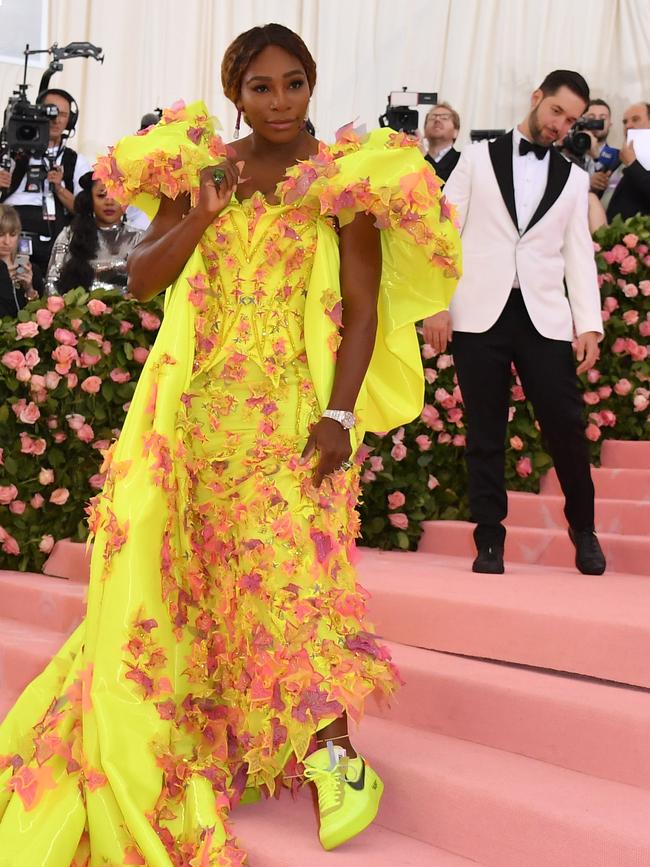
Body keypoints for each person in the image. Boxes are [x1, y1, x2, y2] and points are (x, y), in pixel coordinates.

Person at [0, 23, 460, 865]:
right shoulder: (202, 170)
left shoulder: (345, 181)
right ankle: (231, 737)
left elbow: (360, 312)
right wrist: (202, 216)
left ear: (312, 85)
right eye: (260, 87)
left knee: (292, 572)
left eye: (292, 84)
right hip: (199, 415)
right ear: (234, 92)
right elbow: (144, 278)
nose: (278, 101)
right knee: (209, 575)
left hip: (292, 417)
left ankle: (335, 754)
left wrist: (341, 416)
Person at [426, 69, 606, 577]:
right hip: (479, 312)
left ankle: (584, 530)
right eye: (556, 112)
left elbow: (579, 256)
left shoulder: (573, 179)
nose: (560, 126)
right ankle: (489, 540)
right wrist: (437, 303)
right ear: (536, 99)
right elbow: (445, 234)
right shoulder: (475, 160)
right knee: (484, 431)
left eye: (570, 120)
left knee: (567, 427)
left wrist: (588, 323)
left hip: (544, 317)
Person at [0, 89, 92, 273]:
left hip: (54, 240)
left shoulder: (76, 162)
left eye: (63, 114)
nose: (56, 119)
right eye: (50, 111)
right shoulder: (7, 153)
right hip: (7, 232)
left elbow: (85, 210)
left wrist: (59, 188)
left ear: (70, 120)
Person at [45, 172, 143, 295]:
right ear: (90, 200)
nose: (109, 202)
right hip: (78, 311)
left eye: (116, 196)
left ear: (127, 200)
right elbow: (51, 283)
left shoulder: (139, 238)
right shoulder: (70, 235)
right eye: (101, 195)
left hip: (128, 311)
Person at [605, 101, 650, 221]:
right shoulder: (621, 156)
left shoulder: (629, 159)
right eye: (625, 122)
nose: (628, 125)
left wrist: (632, 164)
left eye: (636, 119)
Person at [0, 203, 44, 316]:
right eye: (1, 234)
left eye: (13, 234)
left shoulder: (31, 270)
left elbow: (39, 316)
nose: (7, 241)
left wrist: (29, 290)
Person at [583, 99, 619, 195]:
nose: (597, 122)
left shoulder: (618, 157)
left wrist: (597, 158)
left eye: (602, 118)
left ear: (610, 124)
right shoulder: (571, 152)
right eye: (592, 117)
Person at [423, 102, 461, 183]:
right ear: (424, 131)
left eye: (444, 118)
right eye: (432, 117)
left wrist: (425, 157)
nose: (437, 120)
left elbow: (443, 184)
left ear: (456, 132)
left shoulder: (462, 159)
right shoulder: (415, 159)